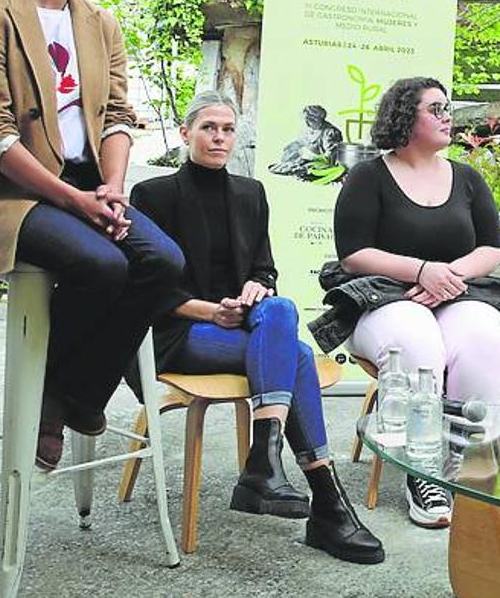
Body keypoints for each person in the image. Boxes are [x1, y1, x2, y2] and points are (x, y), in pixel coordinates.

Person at [0, 0, 184, 471]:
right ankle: (62, 402)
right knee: (101, 262)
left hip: (86, 184)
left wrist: (110, 187)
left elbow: (119, 116)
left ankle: (71, 396)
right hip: (13, 194)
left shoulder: (101, 25)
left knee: (163, 262)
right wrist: (74, 202)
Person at [131, 93, 383, 564]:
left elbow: (265, 269)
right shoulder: (153, 195)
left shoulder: (251, 194)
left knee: (279, 304)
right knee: (301, 356)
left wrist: (253, 287)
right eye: (208, 127)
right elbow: (146, 287)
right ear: (186, 134)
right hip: (180, 331)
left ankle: (266, 466)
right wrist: (211, 311)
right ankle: (321, 499)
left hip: (246, 326)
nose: (219, 137)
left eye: (227, 128)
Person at [334, 76, 500, 528]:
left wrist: (449, 275)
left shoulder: (468, 177)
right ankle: (425, 467)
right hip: (387, 297)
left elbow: (491, 248)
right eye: (435, 108)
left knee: (487, 338)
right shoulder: (367, 176)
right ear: (404, 117)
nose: (447, 115)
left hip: (454, 290)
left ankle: (464, 461)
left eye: (446, 107)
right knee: (419, 345)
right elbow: (353, 254)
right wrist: (419, 271)